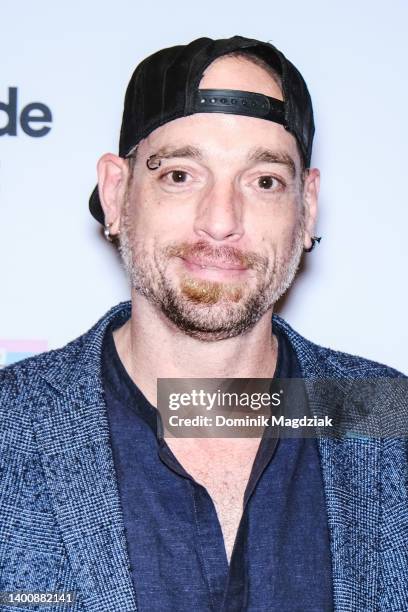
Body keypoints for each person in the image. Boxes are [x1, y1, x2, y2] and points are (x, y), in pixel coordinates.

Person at [0, 36, 407, 612]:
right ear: (117, 193)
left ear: (307, 207)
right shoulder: (10, 426)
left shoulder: (391, 420)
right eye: (180, 175)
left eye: (264, 181)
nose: (221, 222)